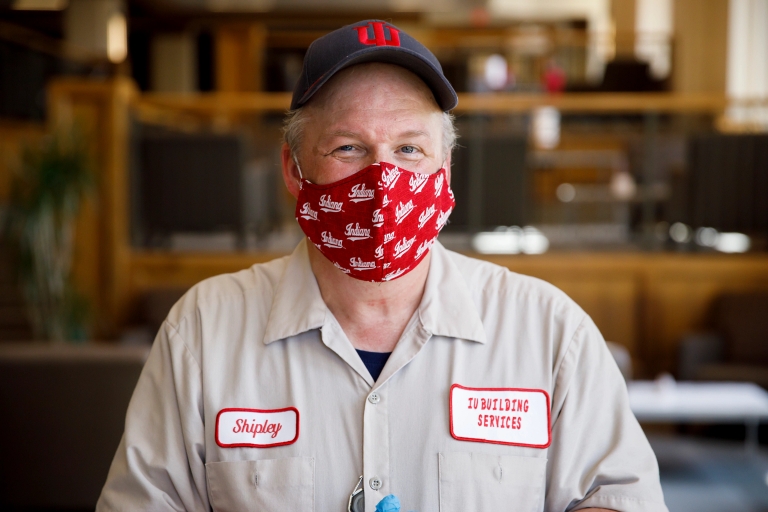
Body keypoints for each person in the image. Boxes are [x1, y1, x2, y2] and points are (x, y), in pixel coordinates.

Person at [97, 20, 668, 512]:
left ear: (444, 172)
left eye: (409, 150)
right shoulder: (202, 332)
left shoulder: (547, 333)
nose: (382, 178)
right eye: (348, 148)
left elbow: (619, 495)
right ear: (295, 172)